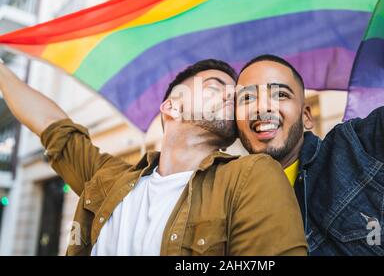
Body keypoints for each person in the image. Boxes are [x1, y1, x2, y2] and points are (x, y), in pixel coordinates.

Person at [0, 58, 307, 256]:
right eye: (216, 87)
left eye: (238, 94)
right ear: (171, 107)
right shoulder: (108, 178)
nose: (232, 96)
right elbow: (51, 124)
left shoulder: (250, 176)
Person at [235, 52, 384, 255]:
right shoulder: (233, 215)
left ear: (307, 117)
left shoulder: (363, 150)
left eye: (280, 94)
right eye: (247, 98)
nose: (262, 108)